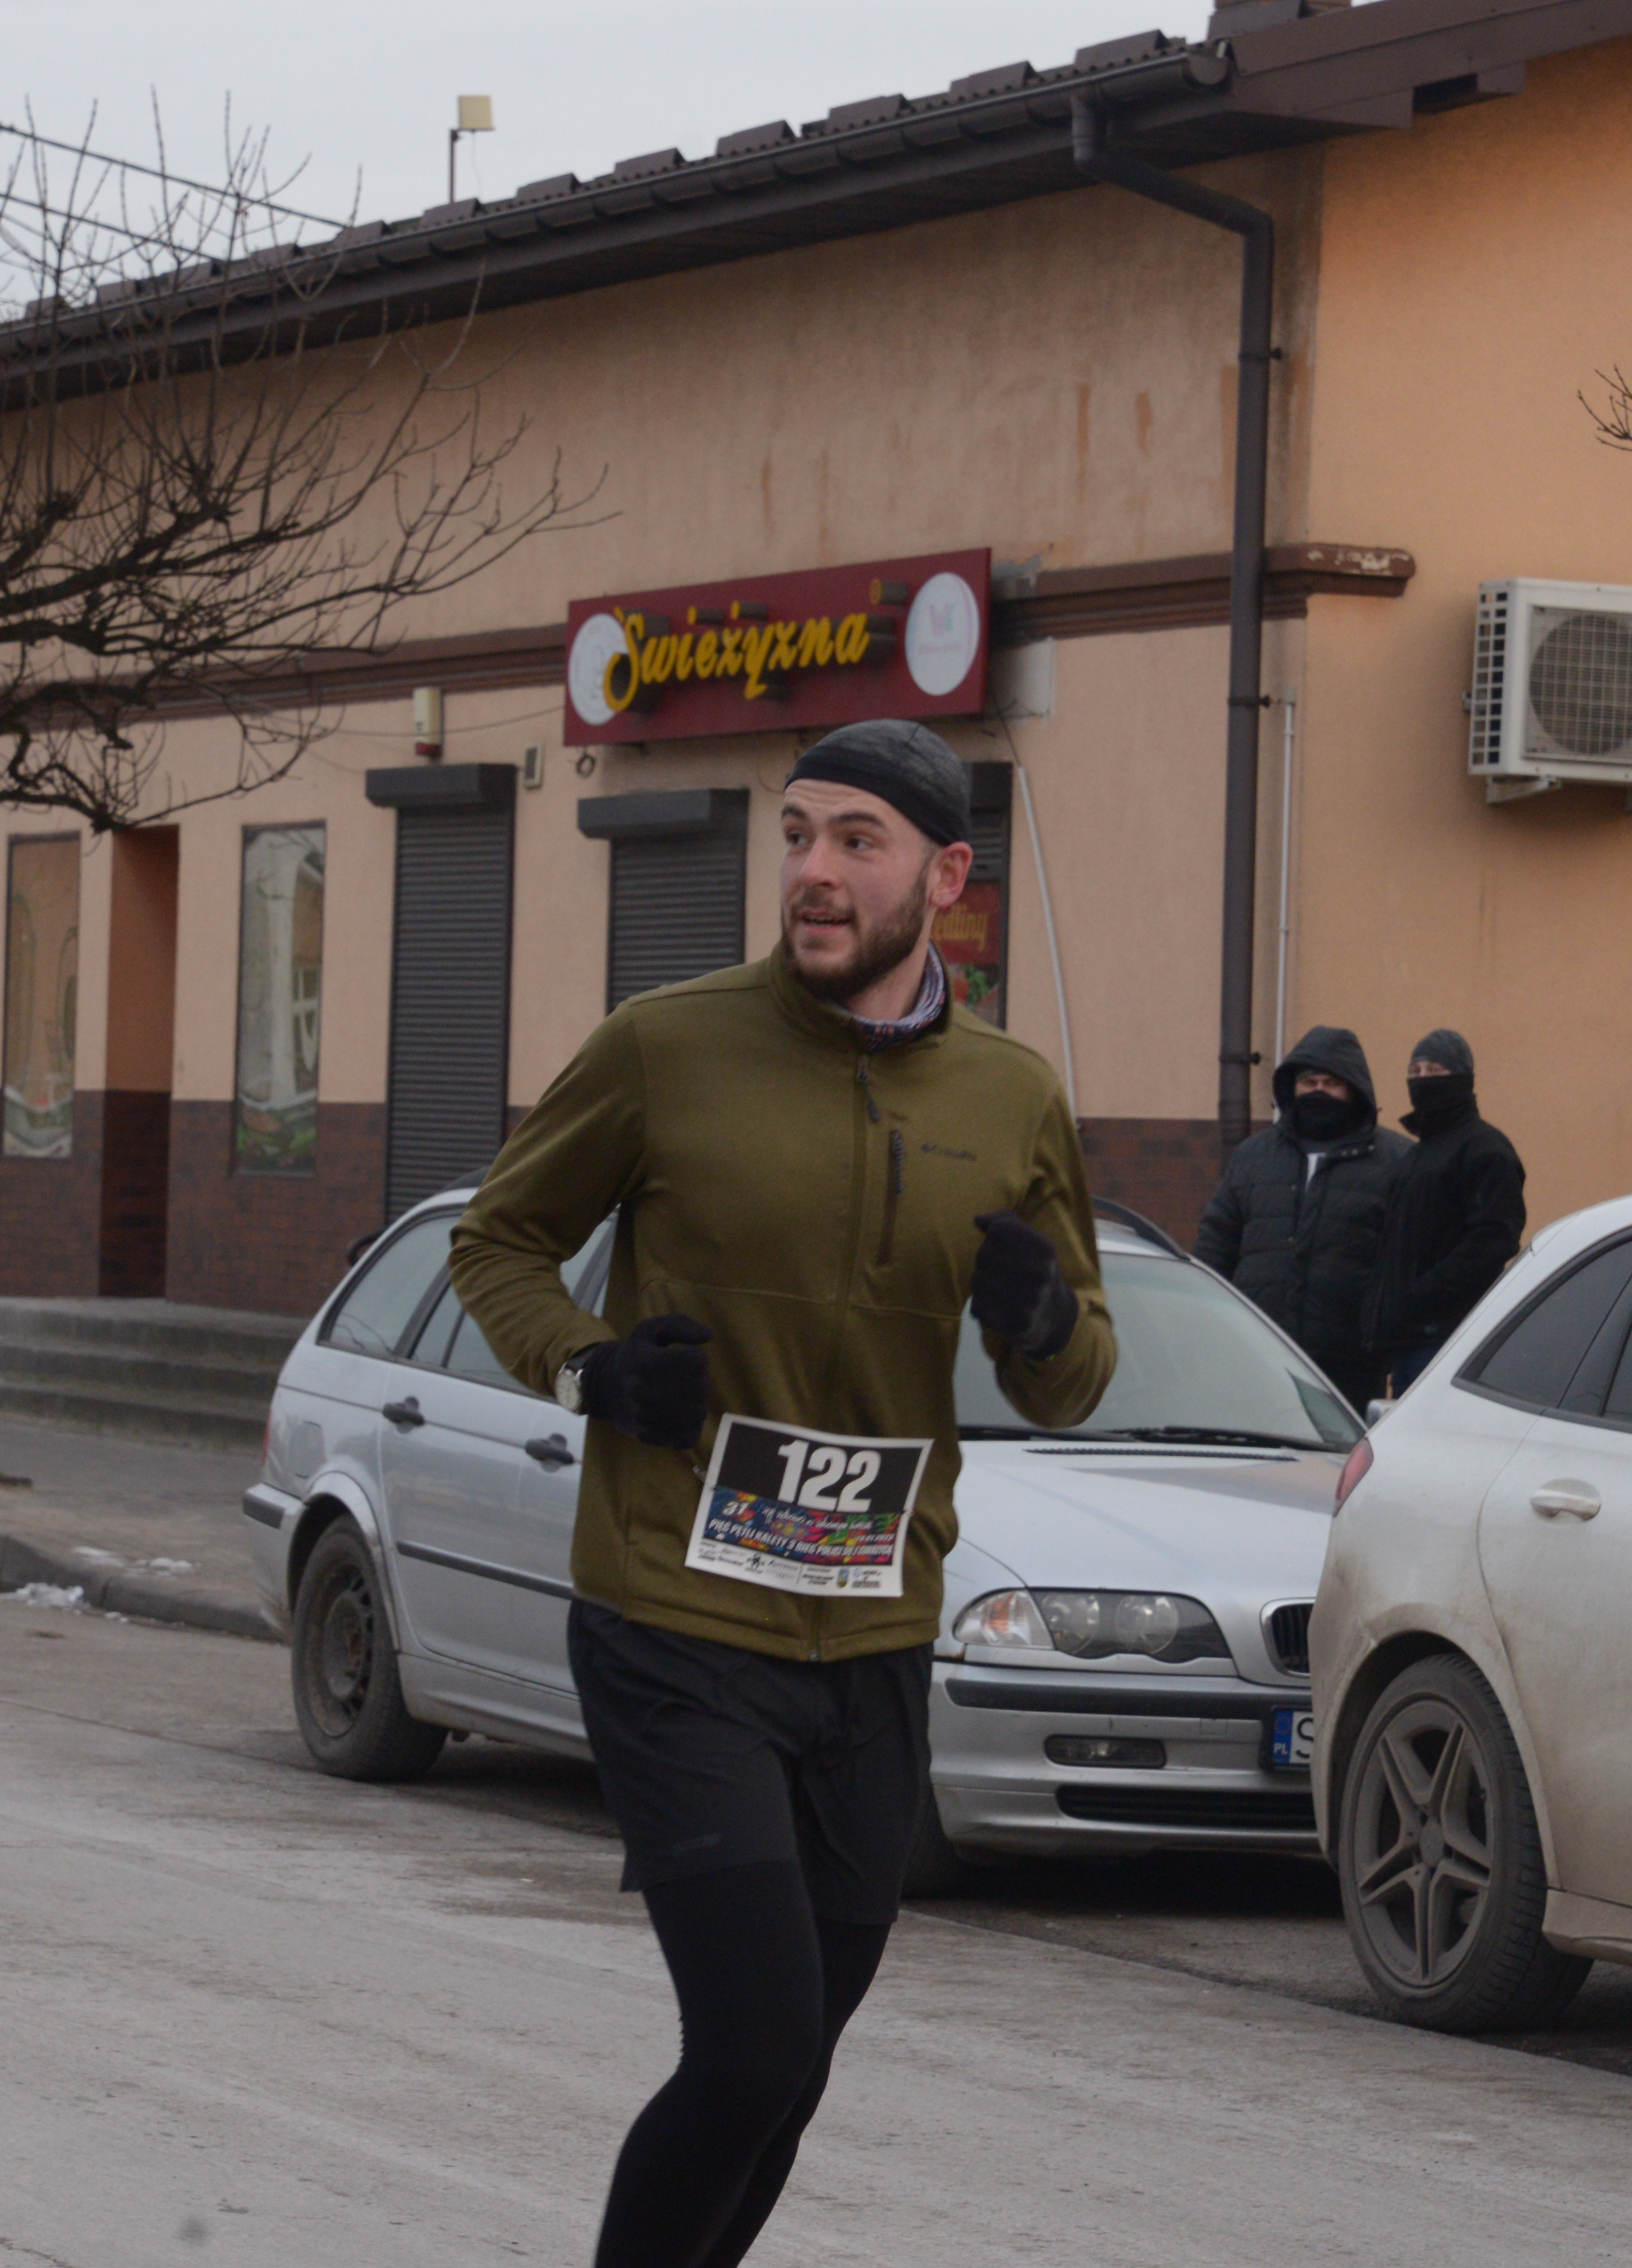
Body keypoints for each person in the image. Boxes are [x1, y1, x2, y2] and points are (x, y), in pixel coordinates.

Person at [449, 716, 1117, 2268]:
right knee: (751, 2042)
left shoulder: (1014, 1098)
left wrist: (1038, 1324)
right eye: (797, 833)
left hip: (872, 1631)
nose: (812, 872)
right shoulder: (665, 1046)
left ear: (945, 874)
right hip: (675, 1611)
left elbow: (1072, 1377)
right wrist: (589, 1369)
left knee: (793, 2066)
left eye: (855, 842)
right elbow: (496, 1239)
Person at [1193, 1026, 1411, 1405]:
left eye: (1331, 1083)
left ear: (1355, 1090)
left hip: (1351, 1362)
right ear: (1291, 1088)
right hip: (1257, 1352)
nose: (1319, 1091)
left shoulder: (1397, 1162)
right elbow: (1217, 1244)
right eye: (1309, 1081)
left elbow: (1408, 1260)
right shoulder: (1253, 1157)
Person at [1370, 1027, 1528, 1392]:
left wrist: (1425, 1291)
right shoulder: (1416, 1156)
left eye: (1436, 1072)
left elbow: (1495, 1238)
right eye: (1415, 1072)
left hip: (1448, 1336)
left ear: (1463, 1079)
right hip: (1407, 1338)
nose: (1423, 1081)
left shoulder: (1486, 1149)